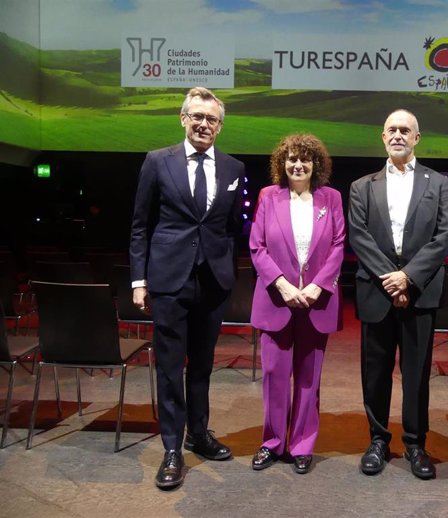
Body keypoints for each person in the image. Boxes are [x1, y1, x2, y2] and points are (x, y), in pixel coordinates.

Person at [130, 87, 245, 489]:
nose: (203, 124)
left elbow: (231, 228)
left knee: (202, 366)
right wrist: (139, 280)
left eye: (211, 119)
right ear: (183, 119)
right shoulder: (157, 161)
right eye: (196, 116)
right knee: (168, 369)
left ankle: (199, 432)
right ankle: (172, 449)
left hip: (212, 282)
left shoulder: (234, 169)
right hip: (168, 281)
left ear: (220, 125)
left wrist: (224, 266)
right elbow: (140, 225)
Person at [348, 109, 448, 480]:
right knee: (374, 373)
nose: (398, 135)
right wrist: (390, 279)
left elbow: (444, 237)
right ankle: (378, 440)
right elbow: (359, 235)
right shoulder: (362, 186)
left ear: (417, 138)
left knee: (416, 373)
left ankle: (415, 443)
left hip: (420, 291)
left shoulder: (438, 183)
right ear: (382, 136)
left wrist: (407, 278)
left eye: (405, 130)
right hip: (376, 291)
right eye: (391, 129)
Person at [249, 134, 345, 474]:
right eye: (291, 159)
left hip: (316, 304)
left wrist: (319, 287)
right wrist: (283, 285)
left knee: (309, 378)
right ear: (282, 163)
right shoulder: (267, 197)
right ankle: (272, 443)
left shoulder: (330, 198)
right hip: (277, 300)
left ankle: (302, 444)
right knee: (274, 376)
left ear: (316, 164)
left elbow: (338, 245)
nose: (298, 164)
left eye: (305, 159)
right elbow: (257, 247)